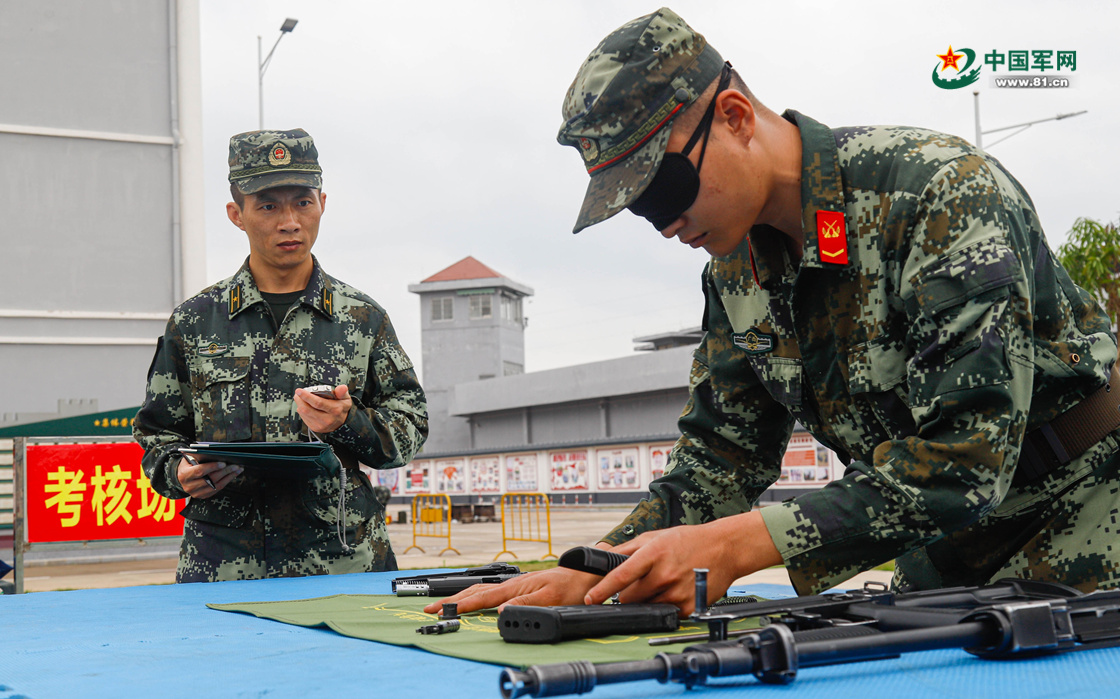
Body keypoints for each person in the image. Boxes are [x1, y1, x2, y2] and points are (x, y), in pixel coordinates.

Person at [429, 7, 1120, 617]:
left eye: (664, 187)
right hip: (944, 552)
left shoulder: (938, 194)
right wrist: (596, 567)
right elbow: (718, 460)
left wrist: (733, 545)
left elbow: (965, 462)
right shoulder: (735, 274)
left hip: (1090, 512)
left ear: (733, 117)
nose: (663, 224)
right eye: (638, 208)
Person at [134, 128, 428, 583]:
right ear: (237, 214)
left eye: (302, 202)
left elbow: (411, 425)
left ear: (323, 204)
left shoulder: (363, 318)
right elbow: (156, 434)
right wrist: (177, 472)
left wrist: (348, 423)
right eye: (268, 206)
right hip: (224, 567)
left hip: (342, 563)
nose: (289, 221)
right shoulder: (194, 322)